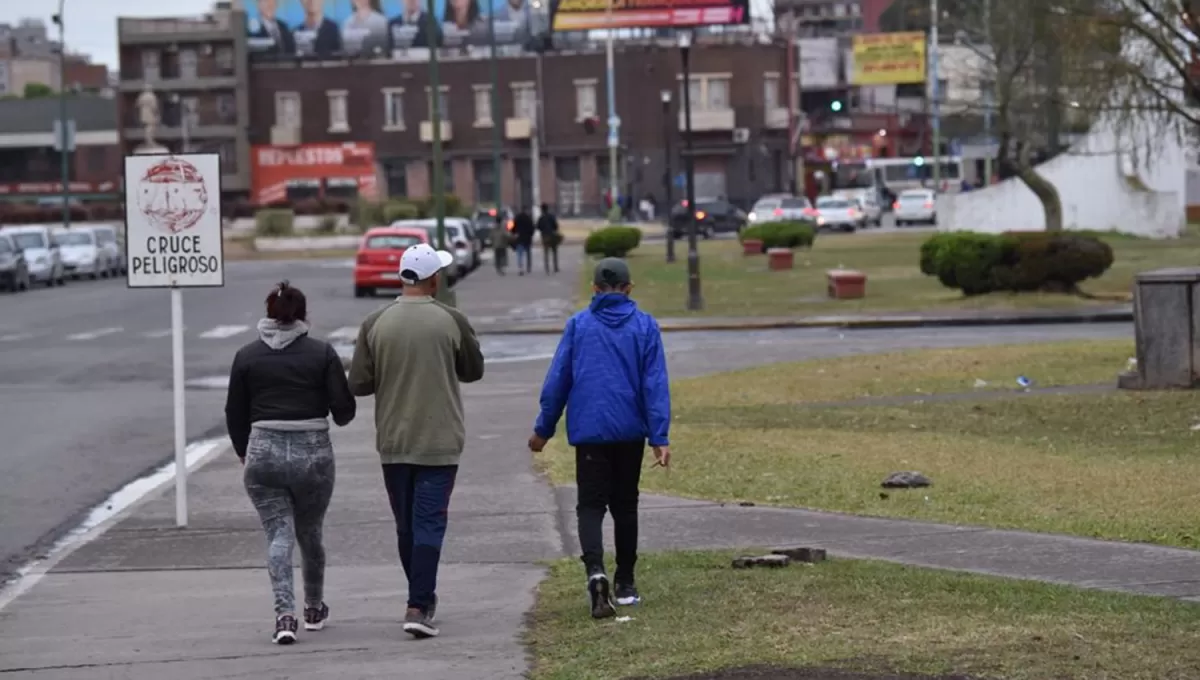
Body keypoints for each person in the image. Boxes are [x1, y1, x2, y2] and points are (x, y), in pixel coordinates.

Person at [348, 243, 485, 639]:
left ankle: (420, 597)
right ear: (433, 279)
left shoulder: (375, 322)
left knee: (406, 526)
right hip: (440, 441)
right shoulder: (451, 319)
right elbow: (473, 371)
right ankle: (418, 603)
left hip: (394, 439)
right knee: (429, 523)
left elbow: (358, 383)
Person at [528, 258, 671, 620]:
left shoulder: (579, 326)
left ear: (594, 289)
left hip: (590, 433)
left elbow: (558, 380)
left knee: (590, 507)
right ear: (629, 288)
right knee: (625, 506)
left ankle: (595, 571)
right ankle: (625, 583)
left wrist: (543, 430)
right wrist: (659, 436)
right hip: (629, 431)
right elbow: (654, 385)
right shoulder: (645, 326)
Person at [225, 281, 356, 644]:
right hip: (312, 452)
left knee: (278, 534)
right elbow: (343, 412)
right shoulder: (321, 353)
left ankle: (284, 616)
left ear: (269, 314)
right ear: (303, 315)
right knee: (310, 533)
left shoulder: (247, 356)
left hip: (263, 450)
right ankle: (313, 608)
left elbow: (234, 411)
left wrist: (243, 451)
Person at [536, 202, 560, 274]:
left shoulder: (541, 217)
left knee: (546, 252)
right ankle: (555, 267)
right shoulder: (551, 216)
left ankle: (547, 268)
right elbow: (556, 225)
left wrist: (542, 230)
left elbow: (538, 227)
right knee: (554, 251)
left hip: (545, 236)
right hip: (552, 235)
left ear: (542, 209)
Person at [513, 206, 535, 276]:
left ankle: (520, 268)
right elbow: (532, 228)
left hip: (519, 238)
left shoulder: (517, 218)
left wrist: (514, 233)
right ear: (526, 210)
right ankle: (528, 267)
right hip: (527, 238)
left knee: (520, 254)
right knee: (528, 253)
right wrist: (531, 234)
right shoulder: (529, 218)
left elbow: (513, 227)